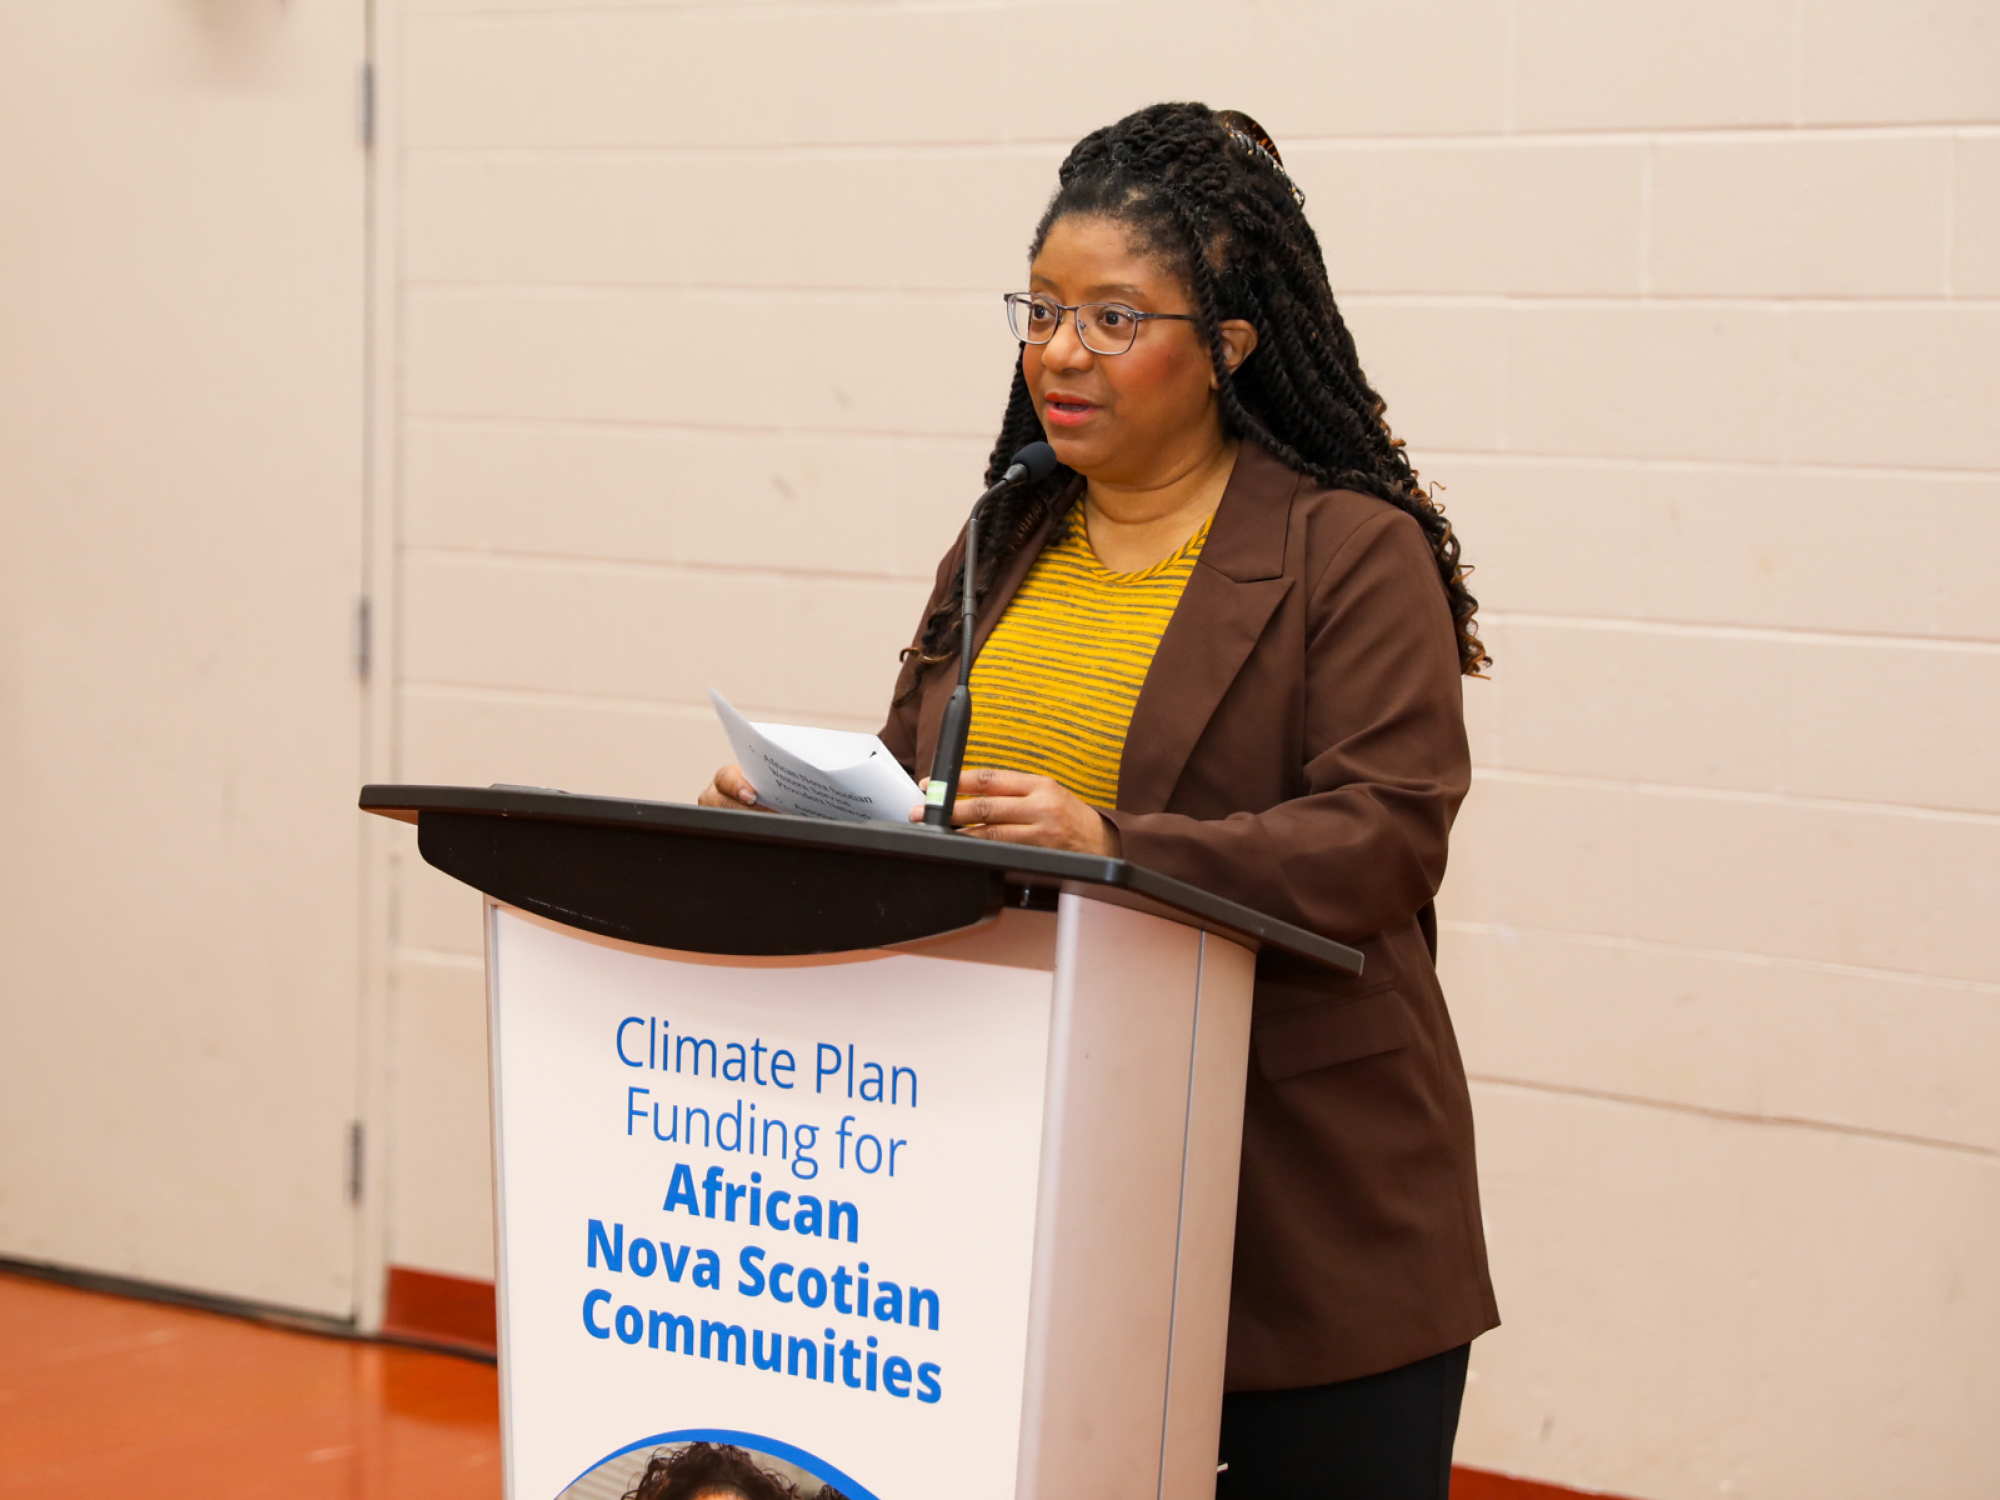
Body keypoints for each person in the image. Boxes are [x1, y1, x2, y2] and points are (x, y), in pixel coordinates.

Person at [702, 102, 1497, 1499]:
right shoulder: (1004, 538)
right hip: (1029, 1177)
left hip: (1301, 1203)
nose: (1061, 351)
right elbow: (927, 794)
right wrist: (811, 817)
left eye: (1114, 319)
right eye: (1043, 310)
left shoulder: (1348, 554)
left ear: (1227, 348)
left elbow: (1385, 834)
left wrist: (1119, 848)